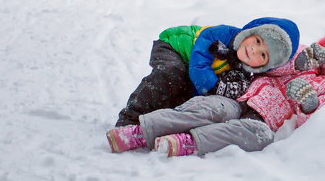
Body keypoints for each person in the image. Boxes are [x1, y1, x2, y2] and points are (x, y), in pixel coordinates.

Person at [105, 25, 325, 158]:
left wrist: (306, 102)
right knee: (210, 109)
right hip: (243, 95)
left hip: (265, 118)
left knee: (258, 137)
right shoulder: (306, 54)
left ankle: (189, 142)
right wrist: (304, 61)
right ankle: (143, 131)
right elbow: (273, 66)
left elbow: (313, 117)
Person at [111, 16, 299, 132]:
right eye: (257, 41)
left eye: (263, 54)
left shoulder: (244, 72)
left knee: (182, 91)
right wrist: (211, 86)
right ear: (250, 32)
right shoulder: (223, 35)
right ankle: (131, 116)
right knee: (171, 73)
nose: (253, 50)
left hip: (190, 68)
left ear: (265, 65)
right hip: (174, 47)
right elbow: (199, 64)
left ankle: (158, 118)